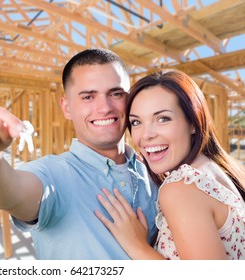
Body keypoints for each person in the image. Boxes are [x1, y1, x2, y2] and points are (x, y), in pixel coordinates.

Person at [0, 48, 158, 259]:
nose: (105, 107)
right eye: (88, 97)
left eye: (116, 94)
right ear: (66, 108)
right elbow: (10, 193)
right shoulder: (53, 173)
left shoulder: (152, 168)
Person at [95, 69, 245, 260]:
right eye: (136, 122)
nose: (147, 134)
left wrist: (137, 247)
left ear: (193, 122)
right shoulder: (215, 169)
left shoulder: (181, 188)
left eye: (162, 119)